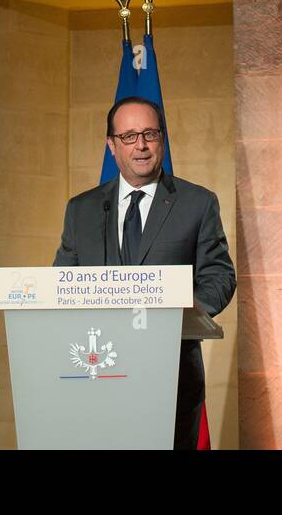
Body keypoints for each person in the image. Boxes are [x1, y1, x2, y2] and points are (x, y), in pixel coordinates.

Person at [53, 95, 236, 449]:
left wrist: (182, 311)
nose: (141, 145)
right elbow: (62, 282)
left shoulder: (197, 203)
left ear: (162, 140)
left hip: (172, 373)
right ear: (111, 146)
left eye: (150, 134)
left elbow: (219, 276)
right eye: (129, 136)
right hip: (97, 372)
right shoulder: (81, 210)